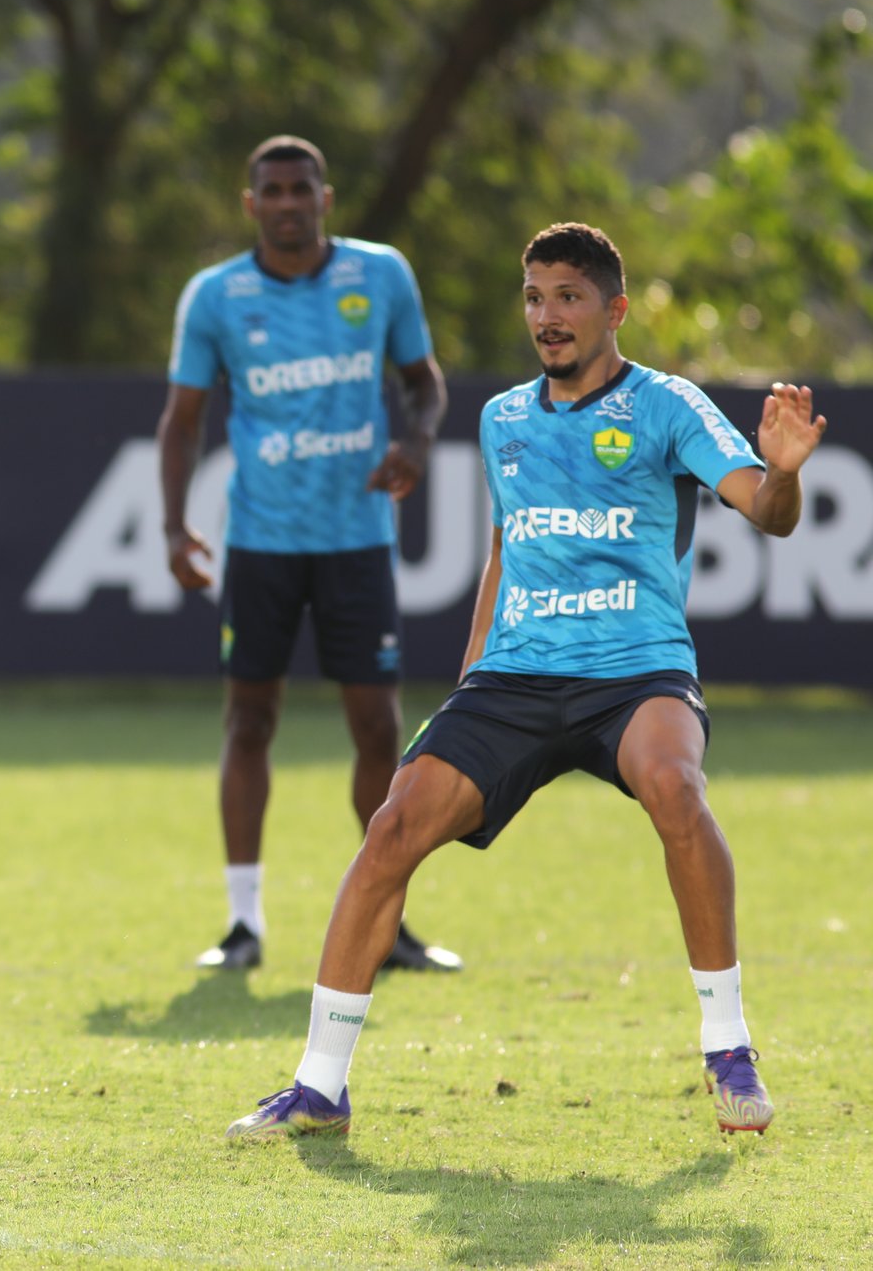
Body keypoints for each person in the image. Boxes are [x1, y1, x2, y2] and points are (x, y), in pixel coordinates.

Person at [226, 222, 824, 1140]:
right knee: (391, 829)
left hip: (637, 670)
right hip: (513, 677)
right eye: (535, 297)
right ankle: (318, 1086)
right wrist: (471, 684)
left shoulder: (666, 406)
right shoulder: (503, 417)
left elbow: (765, 510)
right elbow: (505, 553)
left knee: (674, 785)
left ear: (613, 310)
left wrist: (780, 475)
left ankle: (728, 1047)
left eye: (569, 297)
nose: (548, 317)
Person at [158, 135, 458, 973]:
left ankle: (387, 923)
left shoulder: (381, 276)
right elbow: (181, 420)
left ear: (327, 198)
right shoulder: (216, 297)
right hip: (261, 542)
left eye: (302, 189)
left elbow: (425, 382)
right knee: (249, 721)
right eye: (273, 191)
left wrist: (418, 439)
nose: (289, 203)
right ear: (250, 205)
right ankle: (243, 925)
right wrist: (175, 526)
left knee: (378, 726)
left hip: (358, 540)